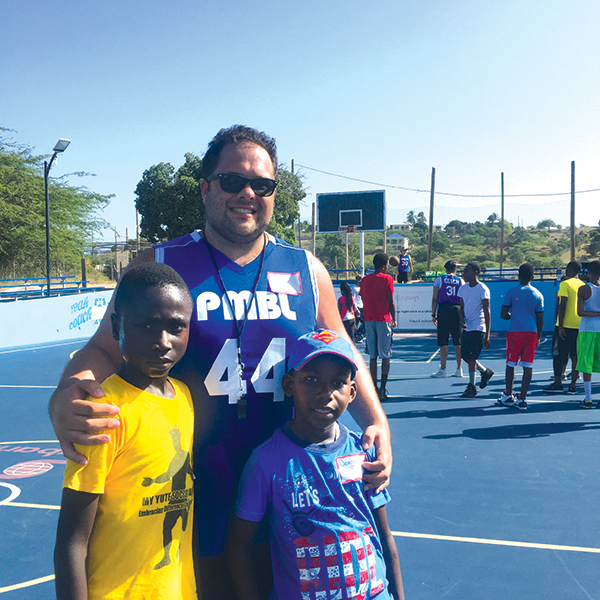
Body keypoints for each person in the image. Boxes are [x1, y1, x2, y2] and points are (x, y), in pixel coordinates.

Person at [48, 125, 392, 599]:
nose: (248, 193)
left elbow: (346, 353)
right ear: (207, 188)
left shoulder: (307, 271)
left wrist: (376, 421)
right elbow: (102, 350)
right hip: (189, 492)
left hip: (290, 492)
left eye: (263, 185)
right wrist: (66, 397)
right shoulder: (161, 264)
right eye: (233, 181)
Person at [54, 263, 196, 600]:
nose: (163, 341)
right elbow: (71, 542)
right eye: (146, 326)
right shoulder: (104, 410)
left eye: (176, 327)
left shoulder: (185, 398)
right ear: (117, 326)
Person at [228, 329, 405, 600]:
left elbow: (384, 536)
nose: (326, 393)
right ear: (289, 385)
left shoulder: (363, 452)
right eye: (311, 379)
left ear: (352, 391)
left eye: (338, 383)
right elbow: (240, 547)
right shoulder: (266, 462)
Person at [497, 263, 544, 410]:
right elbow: (540, 318)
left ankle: (508, 394)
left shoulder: (511, 292)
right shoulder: (538, 294)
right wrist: (538, 337)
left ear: (518, 275)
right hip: (531, 332)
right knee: (527, 365)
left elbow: (503, 314)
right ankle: (522, 398)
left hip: (515, 332)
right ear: (533, 277)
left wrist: (512, 315)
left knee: (511, 363)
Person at [360, 253, 397, 402]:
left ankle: (374, 388)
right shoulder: (387, 279)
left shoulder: (365, 280)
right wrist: (394, 318)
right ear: (384, 266)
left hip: (369, 319)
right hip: (383, 319)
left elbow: (363, 298)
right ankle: (383, 388)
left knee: (373, 356)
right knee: (385, 354)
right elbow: (390, 300)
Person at [545, 261, 584, 394]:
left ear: (570, 269)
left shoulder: (565, 284)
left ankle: (558, 382)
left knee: (558, 355)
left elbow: (563, 306)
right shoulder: (583, 285)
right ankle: (573, 384)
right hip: (579, 326)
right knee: (575, 356)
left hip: (565, 326)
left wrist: (560, 326)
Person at [458, 262, 494, 397]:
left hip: (478, 326)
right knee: (465, 356)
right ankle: (485, 371)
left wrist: (487, 334)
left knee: (472, 356)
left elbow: (487, 311)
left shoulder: (482, 289)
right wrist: (461, 319)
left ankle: (471, 386)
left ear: (475, 273)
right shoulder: (462, 289)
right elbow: (461, 308)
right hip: (467, 327)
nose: (464, 273)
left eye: (467, 271)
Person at [431, 260, 464, 378]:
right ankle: (459, 369)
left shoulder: (439, 279)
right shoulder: (460, 280)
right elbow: (463, 298)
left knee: (443, 340)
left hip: (444, 309)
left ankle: (443, 369)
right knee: (458, 340)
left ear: (445, 269)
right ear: (455, 269)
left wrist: (433, 314)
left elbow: (435, 298)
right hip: (457, 309)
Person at [576, 260, 600, 408]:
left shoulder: (584, 289)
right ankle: (588, 397)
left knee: (586, 363)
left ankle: (588, 398)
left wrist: (595, 313)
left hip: (587, 330)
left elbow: (580, 312)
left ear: (588, 272)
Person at [353, 274, 365, 342]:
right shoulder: (354, 288)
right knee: (356, 323)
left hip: (362, 307)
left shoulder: (362, 288)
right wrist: (356, 309)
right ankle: (355, 335)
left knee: (364, 322)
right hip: (357, 307)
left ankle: (359, 334)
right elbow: (353, 299)